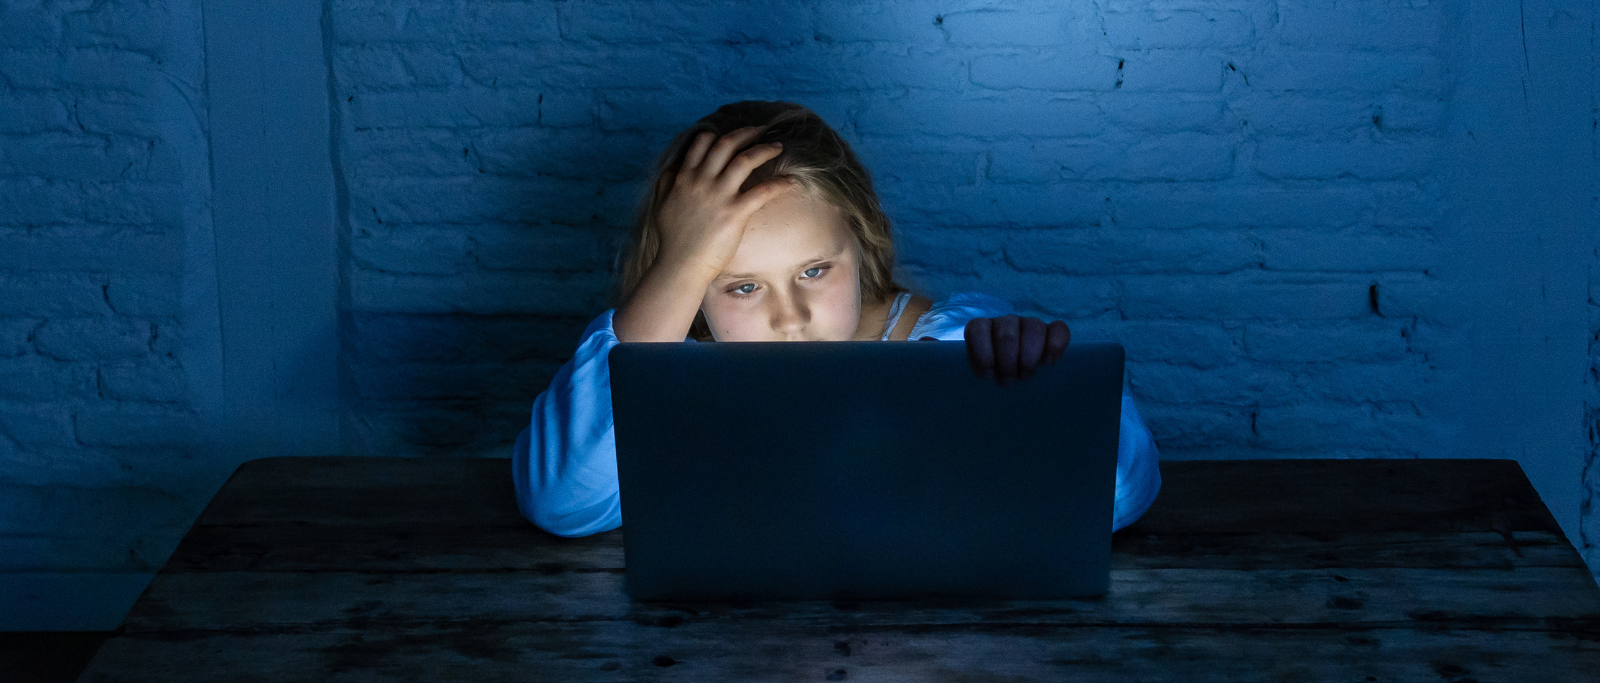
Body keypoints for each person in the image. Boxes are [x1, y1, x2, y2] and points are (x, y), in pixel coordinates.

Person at [512, 101, 1161, 537]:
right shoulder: (679, 378)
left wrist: (1038, 397)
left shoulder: (956, 347)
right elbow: (561, 498)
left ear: (865, 240)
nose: (788, 316)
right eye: (740, 285)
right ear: (692, 294)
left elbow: (1119, 494)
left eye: (814, 271)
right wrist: (683, 258)